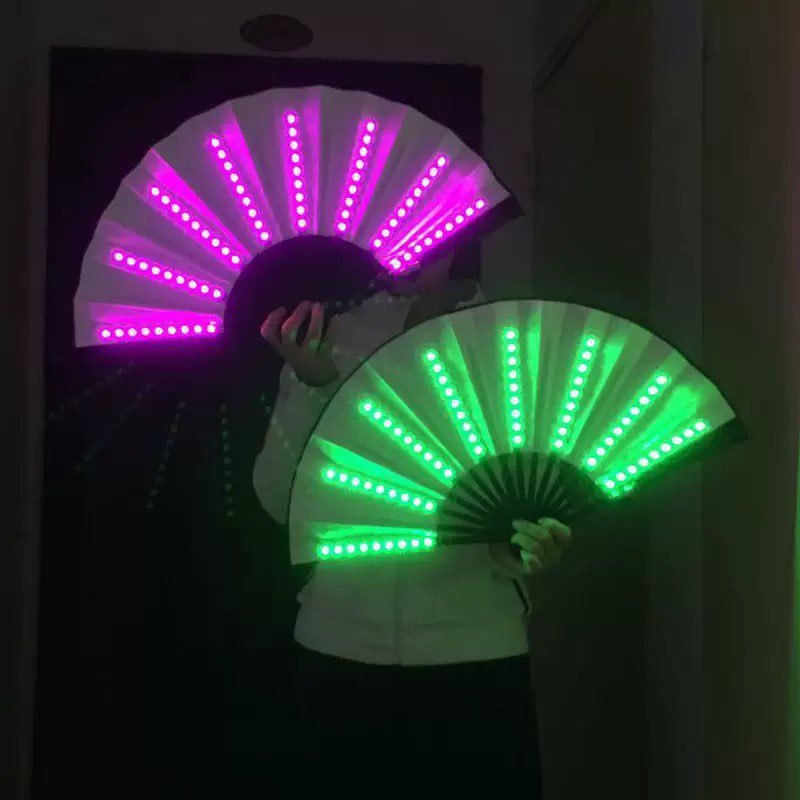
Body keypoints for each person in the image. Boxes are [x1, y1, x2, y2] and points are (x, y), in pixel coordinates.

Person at [252, 255, 572, 790]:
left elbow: (516, 513)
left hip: (475, 656)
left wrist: (524, 550)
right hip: (338, 650)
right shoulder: (330, 338)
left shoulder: (509, 340)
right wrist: (313, 386)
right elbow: (279, 503)